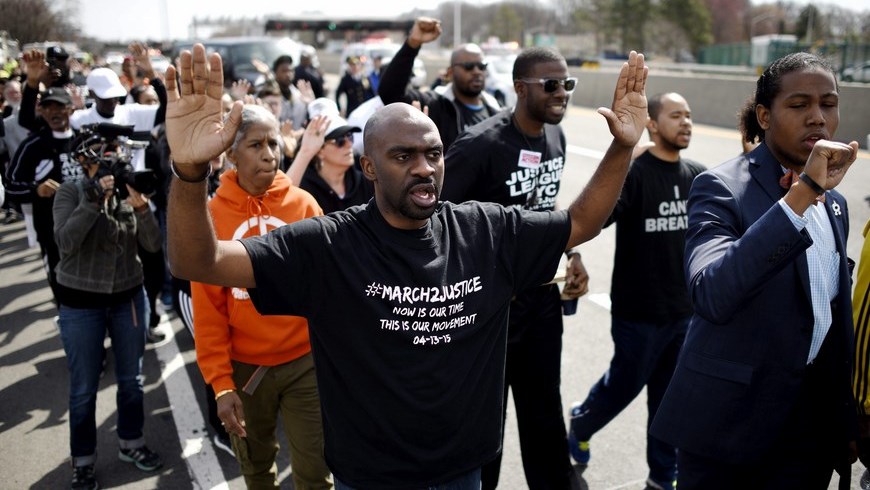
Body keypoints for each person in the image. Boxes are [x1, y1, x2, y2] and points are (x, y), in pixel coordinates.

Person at [164, 43, 647, 488]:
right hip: (371, 476)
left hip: (463, 472)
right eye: (403, 156)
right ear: (369, 167)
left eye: (433, 154)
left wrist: (622, 146)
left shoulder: (486, 230)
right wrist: (189, 172)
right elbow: (197, 260)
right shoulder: (329, 245)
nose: (424, 167)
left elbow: (580, 222)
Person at [649, 52, 859, 488]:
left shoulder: (836, 204)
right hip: (730, 430)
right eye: (799, 105)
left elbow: (831, 317)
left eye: (829, 103)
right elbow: (712, 293)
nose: (818, 118)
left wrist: (846, 416)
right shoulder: (720, 187)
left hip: (809, 433)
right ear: (765, 116)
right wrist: (801, 195)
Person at [441, 46, 587, 489]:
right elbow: (437, 221)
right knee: (486, 422)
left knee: (544, 411)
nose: (561, 92)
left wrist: (570, 254)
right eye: (551, 84)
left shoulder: (555, 136)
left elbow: (546, 209)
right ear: (520, 88)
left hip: (541, 300)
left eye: (567, 83)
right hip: (490, 309)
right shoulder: (481, 145)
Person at [566, 92, 705, 490]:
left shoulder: (698, 176)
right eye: (675, 115)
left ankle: (662, 475)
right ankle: (582, 423)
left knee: (669, 400)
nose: (686, 122)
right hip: (638, 313)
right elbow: (590, 217)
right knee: (623, 388)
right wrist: (572, 252)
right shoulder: (636, 174)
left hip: (684, 313)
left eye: (688, 115)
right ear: (653, 125)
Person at [191, 103, 331, 488]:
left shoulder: (303, 205)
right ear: (231, 153)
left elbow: (327, 289)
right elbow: (208, 309)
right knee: (255, 468)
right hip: (245, 369)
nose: (269, 154)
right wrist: (221, 384)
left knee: (317, 470)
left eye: (274, 143)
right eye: (256, 145)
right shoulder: (211, 216)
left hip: (305, 362)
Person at [53, 124, 164, 490]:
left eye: (114, 150)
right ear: (83, 159)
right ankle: (83, 462)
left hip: (127, 298)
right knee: (84, 388)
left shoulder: (126, 190)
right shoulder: (69, 192)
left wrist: (142, 209)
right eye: (103, 151)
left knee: (132, 381)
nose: (111, 157)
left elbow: (152, 246)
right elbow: (66, 243)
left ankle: (132, 442)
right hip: (80, 303)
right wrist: (93, 200)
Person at [6, 87, 81, 304]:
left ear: (71, 109)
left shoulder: (84, 140)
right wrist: (36, 190)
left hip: (89, 228)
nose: (53, 112)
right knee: (62, 288)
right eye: (47, 107)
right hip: (52, 232)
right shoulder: (32, 146)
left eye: (59, 106)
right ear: (41, 112)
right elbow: (10, 187)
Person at [378, 17, 501, 150]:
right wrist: (412, 44)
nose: (476, 72)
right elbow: (390, 93)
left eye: (482, 66)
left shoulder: (495, 110)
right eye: (468, 66)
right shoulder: (435, 105)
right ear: (450, 72)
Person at [287, 99, 373, 213]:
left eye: (350, 136)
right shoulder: (304, 186)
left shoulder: (366, 181)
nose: (349, 144)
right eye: (340, 141)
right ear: (319, 150)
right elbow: (284, 199)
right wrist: (305, 151)